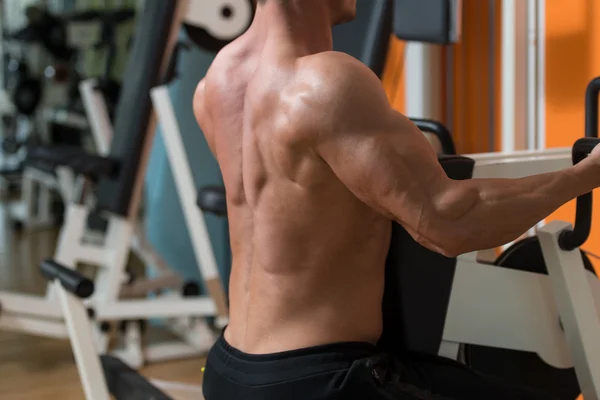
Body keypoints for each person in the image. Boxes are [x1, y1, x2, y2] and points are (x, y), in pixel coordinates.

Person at [194, 1, 600, 399]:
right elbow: (450, 222)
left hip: (229, 371)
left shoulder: (218, 81)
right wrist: (584, 175)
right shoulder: (325, 83)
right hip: (320, 380)